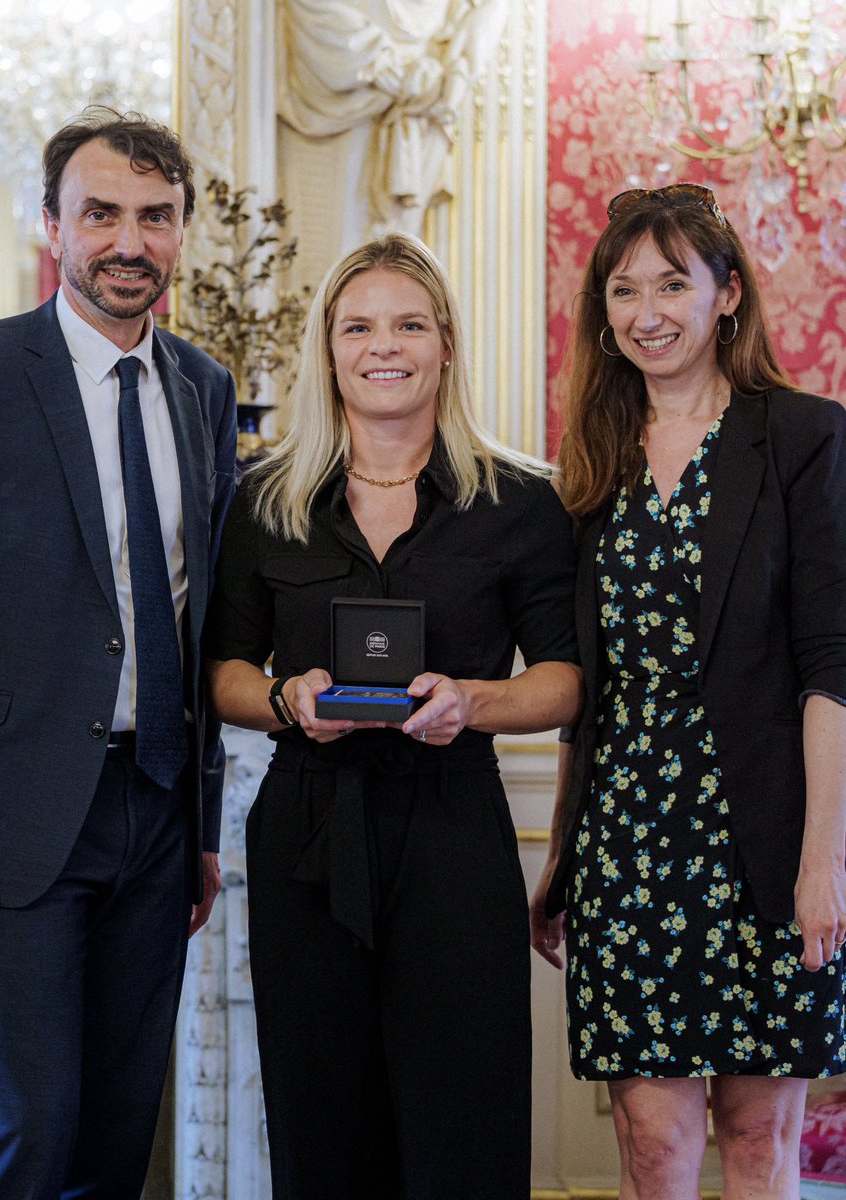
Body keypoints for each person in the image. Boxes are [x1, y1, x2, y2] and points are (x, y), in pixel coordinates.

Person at [0, 107, 237, 1198]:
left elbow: (203, 615)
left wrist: (203, 832)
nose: (128, 241)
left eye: (155, 216)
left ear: (181, 232)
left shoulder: (205, 391)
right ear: (53, 227)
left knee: (113, 1140)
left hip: (156, 820)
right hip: (4, 833)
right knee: (22, 1141)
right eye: (101, 215)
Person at [205, 231, 583, 1198]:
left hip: (453, 830)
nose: (386, 345)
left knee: (465, 1121)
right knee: (320, 1120)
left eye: (410, 324)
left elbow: (565, 679)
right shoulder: (263, 501)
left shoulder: (521, 502)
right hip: (306, 830)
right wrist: (287, 701)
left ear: (446, 345)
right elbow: (225, 672)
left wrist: (474, 701)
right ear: (328, 350)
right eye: (360, 326)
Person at [530, 183, 846, 1200]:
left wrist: (825, 863)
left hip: (767, 841)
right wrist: (564, 860)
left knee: (760, 1144)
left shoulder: (802, 437)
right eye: (623, 290)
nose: (648, 312)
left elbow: (832, 663)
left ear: (728, 297)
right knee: (653, 1151)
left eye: (674, 283)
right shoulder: (591, 465)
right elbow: (590, 689)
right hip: (627, 839)